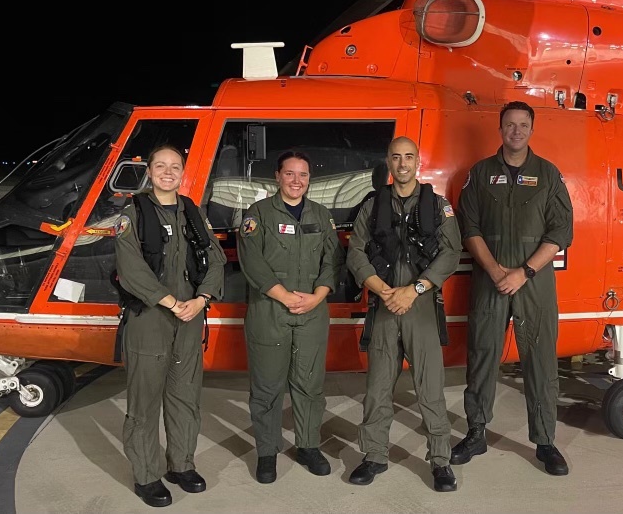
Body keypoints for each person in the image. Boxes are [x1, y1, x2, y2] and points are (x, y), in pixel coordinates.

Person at [450, 101, 574, 476]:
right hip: (490, 281)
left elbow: (561, 232)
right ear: (500, 128)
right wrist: (494, 270)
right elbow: (468, 226)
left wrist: (522, 272)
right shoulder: (481, 173)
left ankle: (545, 441)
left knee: (539, 360)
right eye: (509, 125)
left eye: (523, 125)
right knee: (483, 354)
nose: (516, 131)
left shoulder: (548, 175)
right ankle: (476, 432)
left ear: (531, 130)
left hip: (533, 283)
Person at [345, 136, 462, 492]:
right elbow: (355, 251)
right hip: (384, 306)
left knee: (430, 388)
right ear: (388, 162)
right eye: (396, 157)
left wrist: (415, 289)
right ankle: (374, 455)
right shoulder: (372, 206)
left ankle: (440, 460)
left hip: (421, 307)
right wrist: (380, 288)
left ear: (417, 162)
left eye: (408, 157)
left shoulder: (438, 206)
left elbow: (451, 252)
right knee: (378, 387)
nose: (402, 163)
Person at [114, 144, 228, 508]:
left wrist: (202, 299)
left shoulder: (193, 213)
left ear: (183, 172)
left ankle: (181, 465)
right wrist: (171, 302)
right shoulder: (133, 215)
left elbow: (216, 260)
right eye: (160, 165)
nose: (167, 172)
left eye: (174, 166)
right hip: (151, 319)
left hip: (191, 318)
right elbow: (130, 269)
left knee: (185, 398)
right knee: (144, 404)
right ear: (149, 171)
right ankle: (146, 475)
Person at [237, 150, 345, 484]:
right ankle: (267, 453)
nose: (297, 181)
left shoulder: (321, 214)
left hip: (312, 312)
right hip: (270, 311)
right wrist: (284, 296)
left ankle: (309, 446)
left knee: (310, 386)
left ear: (309, 179)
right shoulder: (258, 214)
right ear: (277, 176)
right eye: (290, 174)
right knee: (268, 388)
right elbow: (252, 261)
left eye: (303, 175)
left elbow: (333, 260)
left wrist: (319, 296)